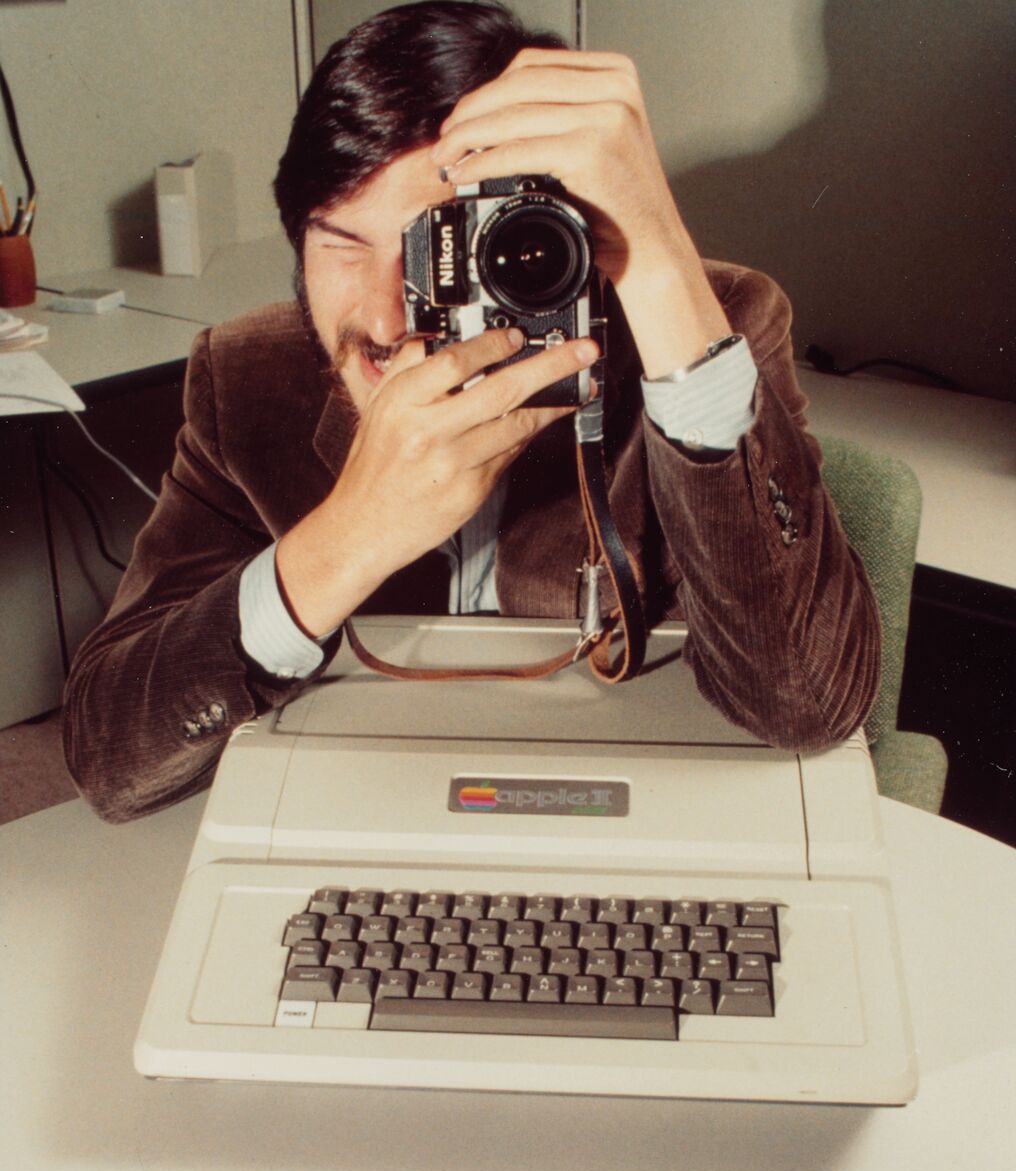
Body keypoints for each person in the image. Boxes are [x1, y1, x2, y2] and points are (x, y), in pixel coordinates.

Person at [64, 0, 880, 823]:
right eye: (342, 246)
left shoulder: (700, 323)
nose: (386, 319)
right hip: (366, 811)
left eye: (438, 248)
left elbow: (805, 704)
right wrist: (351, 535)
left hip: (632, 812)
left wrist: (661, 266)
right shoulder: (247, 373)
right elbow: (107, 758)